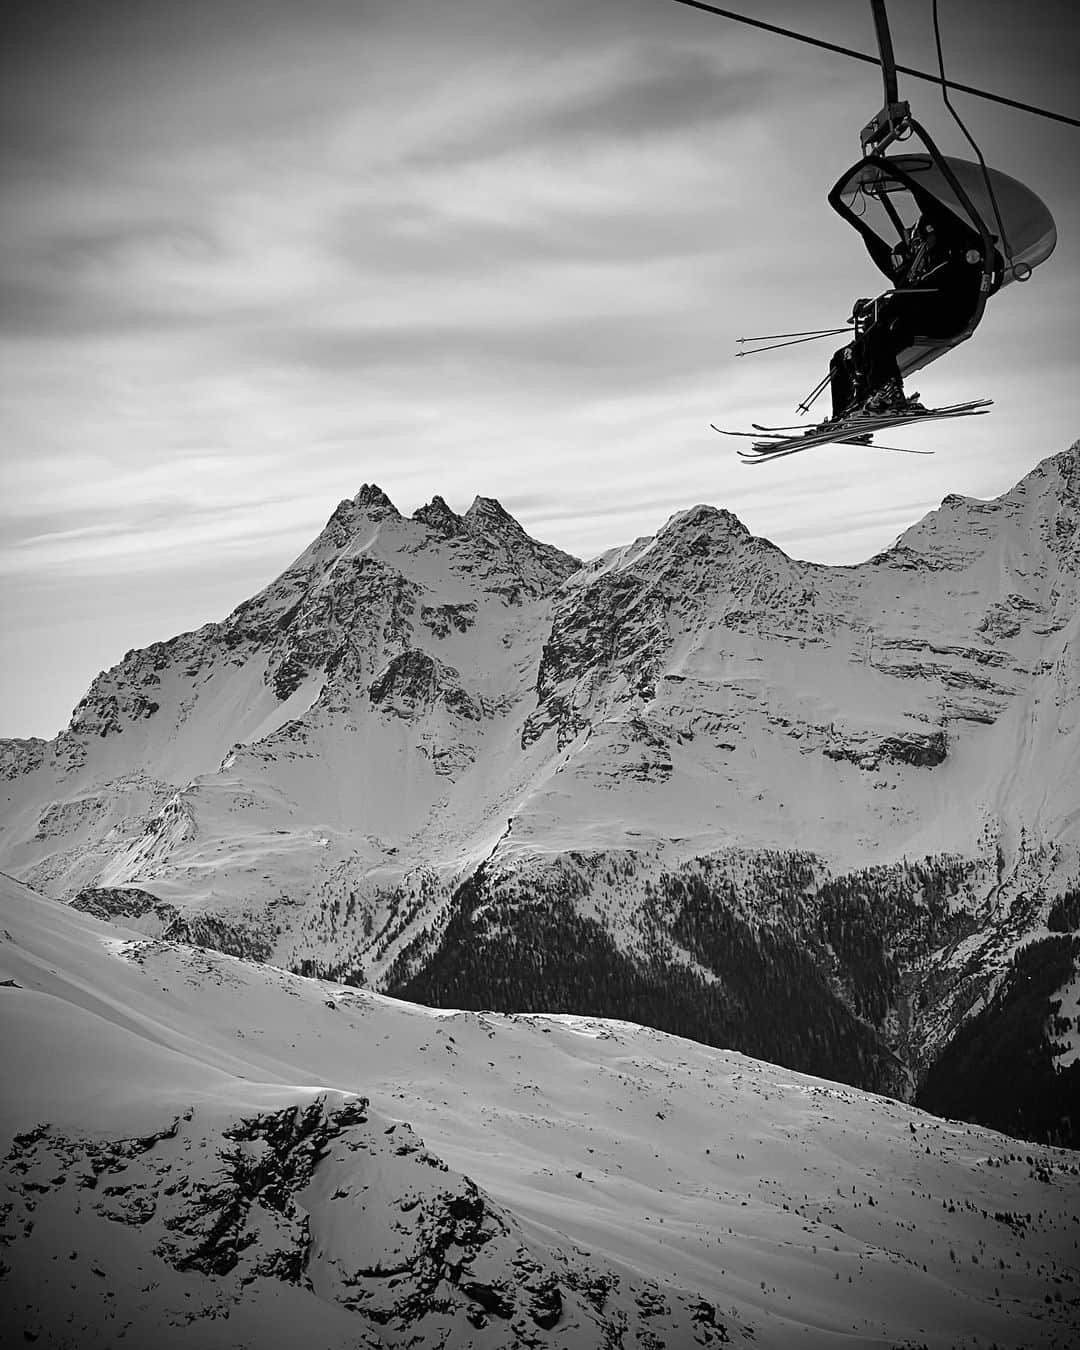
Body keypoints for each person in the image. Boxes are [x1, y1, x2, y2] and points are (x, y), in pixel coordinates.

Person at [828, 202, 986, 420]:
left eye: (922, 241)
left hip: (946, 317)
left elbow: (926, 290)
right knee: (841, 358)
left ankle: (889, 394)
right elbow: (908, 294)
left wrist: (887, 307)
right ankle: (848, 412)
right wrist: (877, 306)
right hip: (920, 317)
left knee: (879, 335)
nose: (919, 247)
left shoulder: (953, 259)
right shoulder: (923, 268)